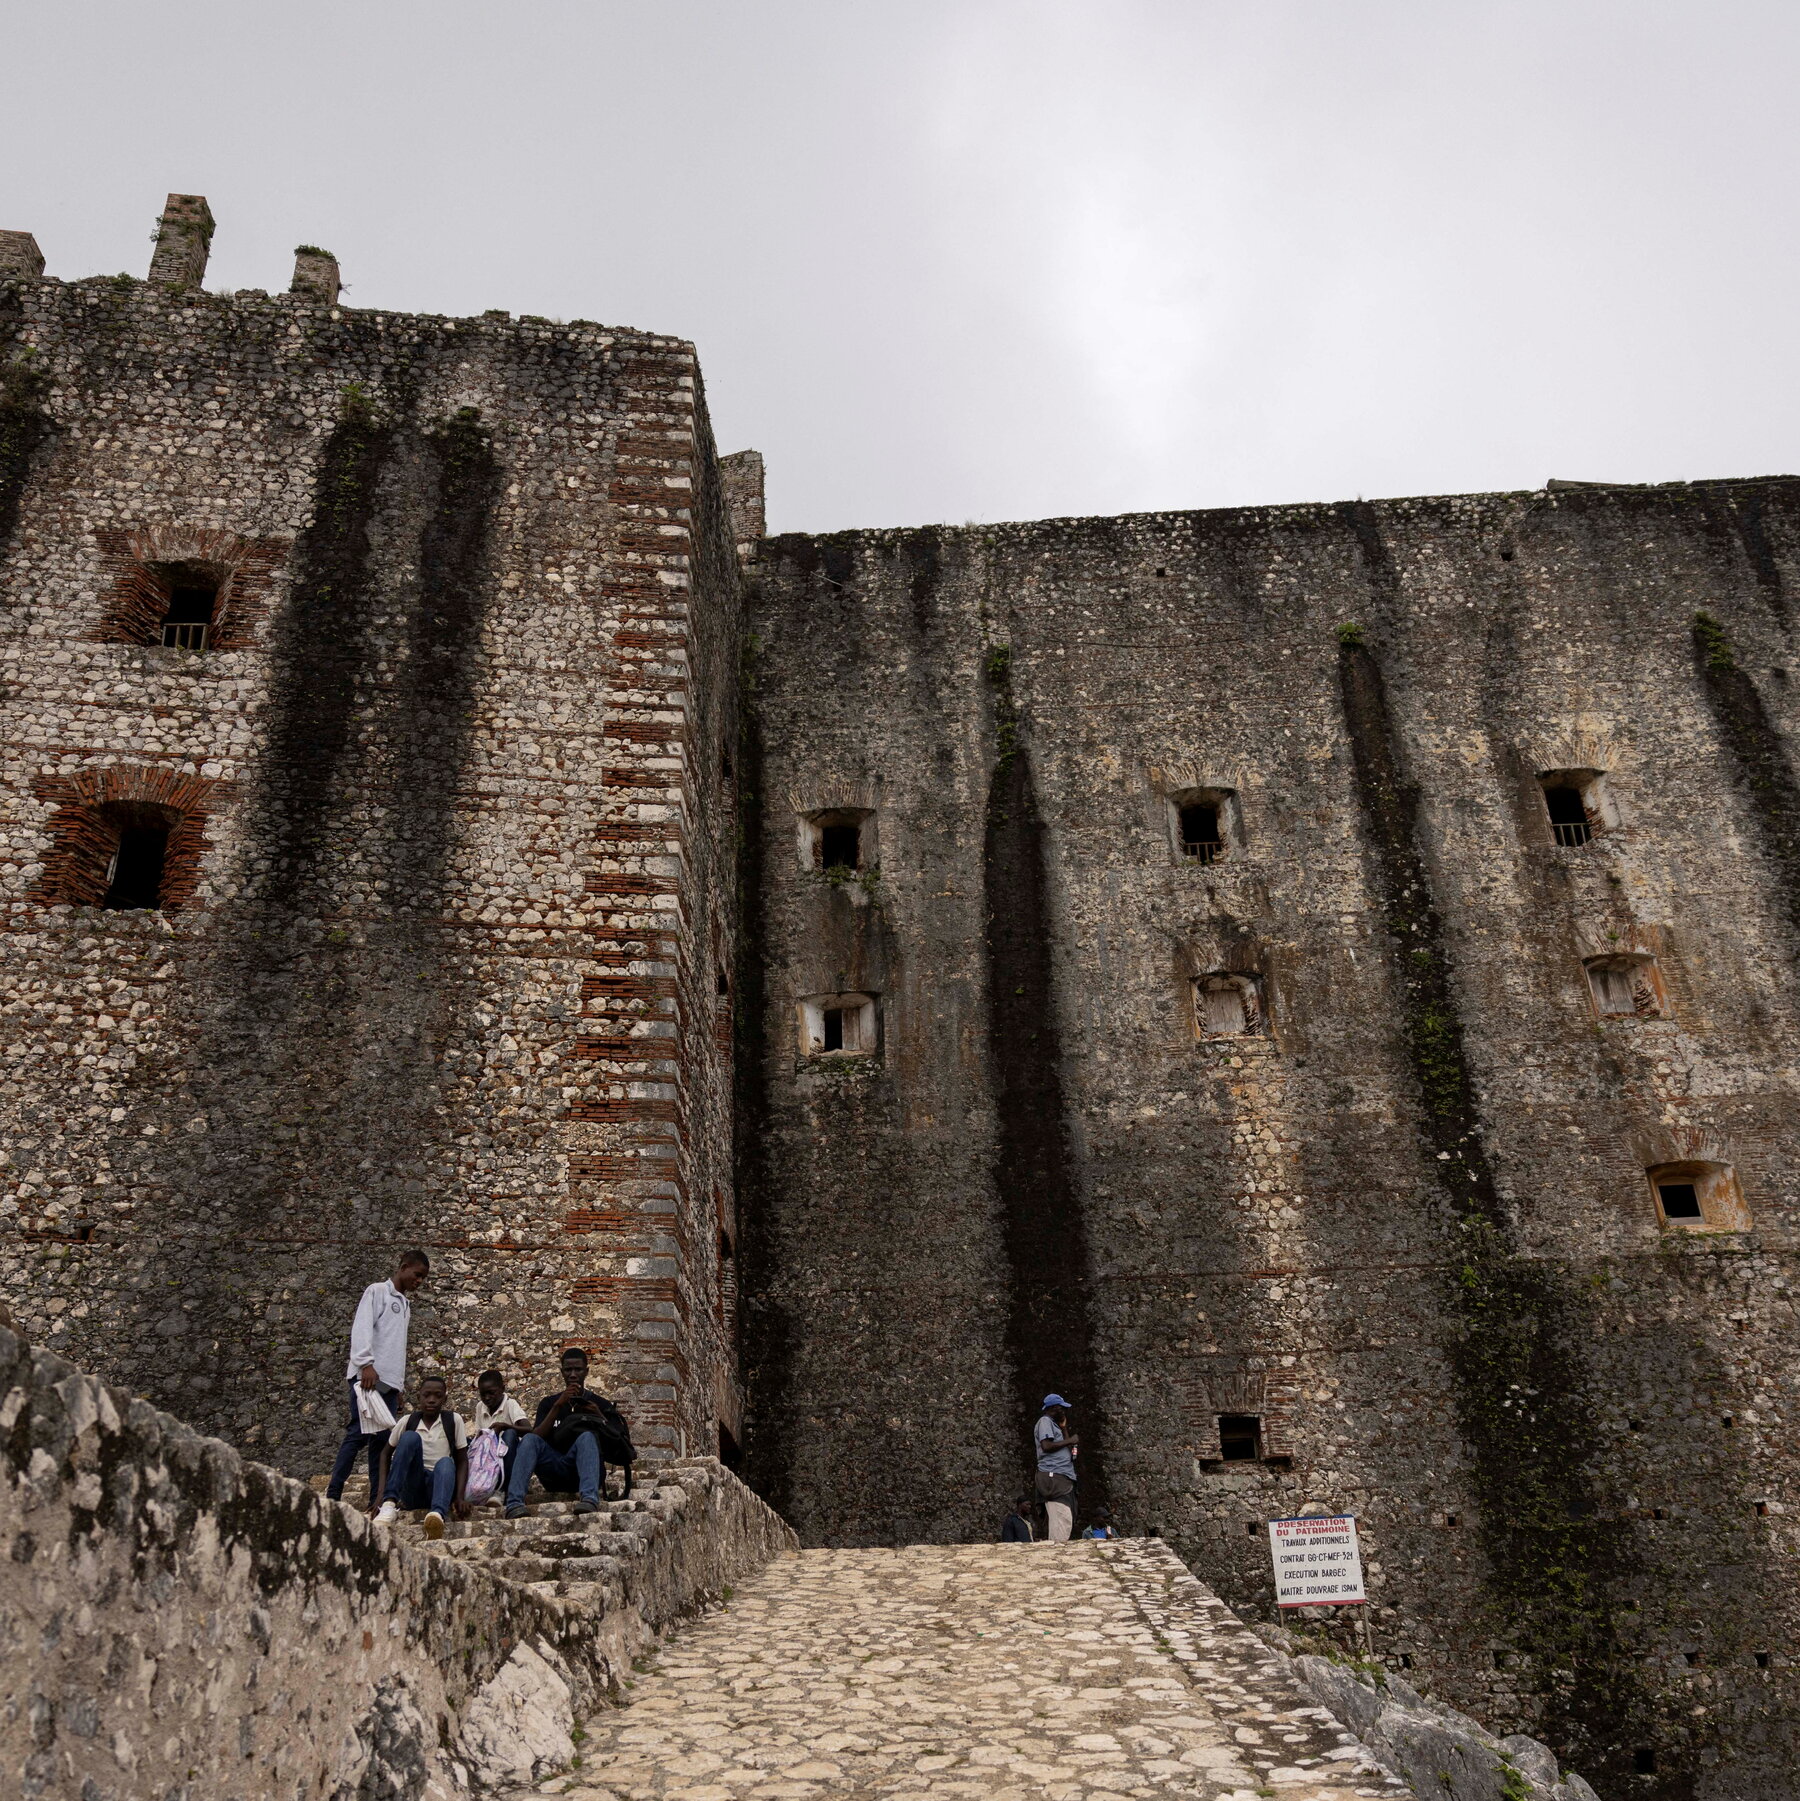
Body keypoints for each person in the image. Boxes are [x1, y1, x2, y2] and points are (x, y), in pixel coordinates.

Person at [325, 1251, 429, 1504]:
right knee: (358, 1434)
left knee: (382, 1443)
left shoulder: (405, 1305)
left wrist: (398, 1386)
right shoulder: (377, 1292)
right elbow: (361, 1327)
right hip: (370, 1377)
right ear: (403, 1267)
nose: (419, 1282)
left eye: (423, 1278)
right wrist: (366, 1364)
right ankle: (333, 1494)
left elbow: (396, 1347)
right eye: (417, 1275)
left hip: (388, 1383)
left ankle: (376, 1498)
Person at [504, 1346, 615, 1519]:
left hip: (583, 1472)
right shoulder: (549, 1403)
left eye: (577, 1370)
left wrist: (597, 1414)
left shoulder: (599, 1403)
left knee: (586, 1437)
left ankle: (589, 1499)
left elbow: (615, 1443)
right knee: (529, 1438)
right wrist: (558, 1405)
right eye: (568, 1370)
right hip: (553, 1470)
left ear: (586, 1372)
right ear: (561, 1372)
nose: (572, 1374)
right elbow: (535, 1437)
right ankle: (514, 1503)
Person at [372, 1375, 470, 1539]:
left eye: (438, 1396)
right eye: (427, 1395)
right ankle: (389, 1504)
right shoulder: (407, 1421)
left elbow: (462, 1460)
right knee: (410, 1437)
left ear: (445, 1399)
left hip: (439, 1485)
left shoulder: (454, 1420)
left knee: (446, 1462)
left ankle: (437, 1514)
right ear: (419, 1397)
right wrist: (380, 1495)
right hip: (413, 1487)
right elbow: (385, 1454)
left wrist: (460, 1497)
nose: (432, 1400)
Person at [473, 1366, 529, 1490]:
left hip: (509, 1456)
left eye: (491, 1393)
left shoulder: (510, 1404)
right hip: (489, 1457)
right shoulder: (480, 1407)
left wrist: (505, 1426)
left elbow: (529, 1429)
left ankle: (504, 1488)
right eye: (483, 1394)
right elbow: (479, 1435)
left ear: (502, 1389)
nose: (487, 1398)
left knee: (509, 1434)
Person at [1034, 1392, 1079, 1542]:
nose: (1064, 1411)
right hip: (1054, 1475)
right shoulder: (1045, 1421)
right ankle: (1057, 1550)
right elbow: (1046, 1445)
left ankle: (1057, 1547)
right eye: (1062, 1408)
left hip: (1062, 1475)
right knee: (1061, 1517)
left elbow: (1068, 1446)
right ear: (1054, 1408)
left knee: (1064, 1517)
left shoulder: (1055, 1425)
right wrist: (1070, 1440)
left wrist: (1064, 1428)